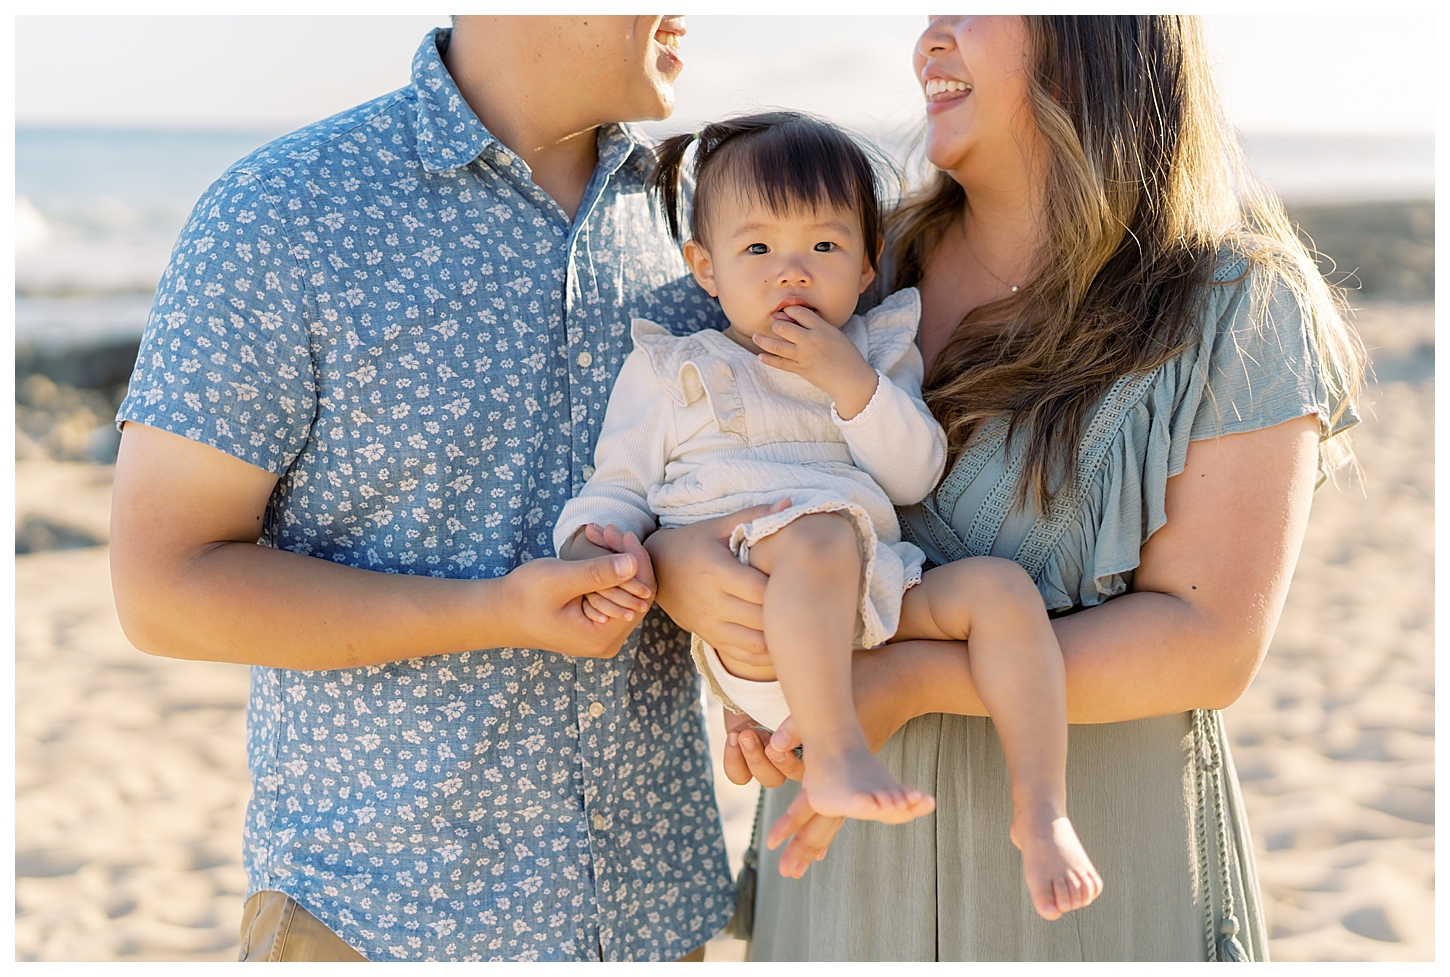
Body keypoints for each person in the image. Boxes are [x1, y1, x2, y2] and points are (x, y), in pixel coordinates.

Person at [644, 15, 1363, 961]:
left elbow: (1209, 645)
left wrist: (908, 678)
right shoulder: (854, 263)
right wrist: (692, 574)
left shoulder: (1237, 300)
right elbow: (705, 462)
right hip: (842, 870)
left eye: (970, 9)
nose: (928, 42)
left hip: (1081, 878)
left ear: (1095, 36)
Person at [109, 15, 743, 962]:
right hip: (380, 918)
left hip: (660, 915)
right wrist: (496, 610)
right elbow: (163, 588)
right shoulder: (286, 214)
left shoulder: (706, 228)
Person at [554, 113, 1100, 919]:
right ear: (704, 267)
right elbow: (616, 488)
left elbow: (914, 474)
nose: (792, 273)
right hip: (756, 619)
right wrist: (589, 549)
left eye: (824, 247)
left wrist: (851, 384)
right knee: (815, 534)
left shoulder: (874, 355)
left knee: (1000, 588)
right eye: (757, 250)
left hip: (870, 597)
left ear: (868, 260)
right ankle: (838, 752)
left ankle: (1043, 808)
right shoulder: (676, 370)